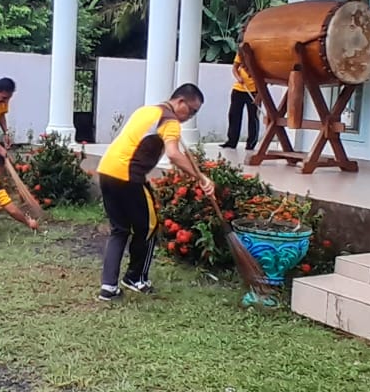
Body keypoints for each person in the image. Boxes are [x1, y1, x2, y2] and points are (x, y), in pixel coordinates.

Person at [95, 84, 213, 302]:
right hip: (128, 176)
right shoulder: (171, 121)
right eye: (192, 110)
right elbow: (174, 155)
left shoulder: (147, 111)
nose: (191, 116)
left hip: (106, 170)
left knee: (119, 229)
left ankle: (108, 287)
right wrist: (201, 177)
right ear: (180, 102)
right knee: (149, 227)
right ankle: (135, 278)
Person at [221, 53, 259, 151]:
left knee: (253, 117)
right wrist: (238, 78)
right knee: (234, 115)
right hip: (238, 89)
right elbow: (234, 68)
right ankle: (231, 142)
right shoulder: (241, 53)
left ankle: (251, 143)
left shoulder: (260, 55)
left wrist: (260, 94)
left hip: (254, 91)